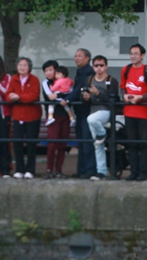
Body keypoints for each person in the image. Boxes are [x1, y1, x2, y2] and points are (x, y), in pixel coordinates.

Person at [120, 43, 147, 182]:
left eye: (136, 53)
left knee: (143, 143)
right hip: (129, 110)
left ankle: (143, 172)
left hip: (144, 111)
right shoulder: (125, 69)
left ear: (142, 55)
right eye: (131, 53)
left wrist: (140, 97)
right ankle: (133, 171)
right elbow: (123, 87)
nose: (133, 56)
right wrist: (124, 96)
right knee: (132, 143)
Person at [81, 54, 118, 181]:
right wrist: (85, 98)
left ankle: (102, 133)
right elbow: (85, 99)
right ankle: (101, 171)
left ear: (106, 66)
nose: (99, 68)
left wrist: (98, 93)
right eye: (96, 65)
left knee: (91, 120)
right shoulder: (89, 79)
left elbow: (113, 100)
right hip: (93, 111)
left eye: (101, 65)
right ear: (93, 67)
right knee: (97, 145)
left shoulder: (112, 80)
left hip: (106, 112)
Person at [7, 57, 41, 179]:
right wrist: (12, 97)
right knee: (17, 143)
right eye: (20, 65)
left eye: (25, 65)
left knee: (31, 144)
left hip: (32, 115)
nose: (22, 67)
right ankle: (19, 169)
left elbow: (33, 95)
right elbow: (8, 95)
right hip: (17, 115)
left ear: (29, 67)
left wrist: (18, 97)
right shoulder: (14, 79)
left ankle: (30, 170)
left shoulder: (35, 79)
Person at [68, 47, 97, 179]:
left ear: (87, 58)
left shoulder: (88, 72)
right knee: (81, 141)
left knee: (87, 141)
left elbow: (79, 88)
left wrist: (67, 98)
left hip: (87, 112)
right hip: (80, 112)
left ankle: (89, 170)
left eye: (80, 56)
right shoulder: (79, 72)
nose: (76, 58)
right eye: (75, 56)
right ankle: (81, 169)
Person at [42, 62, 73, 179]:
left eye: (51, 70)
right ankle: (49, 169)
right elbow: (49, 96)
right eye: (46, 70)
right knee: (52, 143)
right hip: (53, 116)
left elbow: (70, 93)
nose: (49, 73)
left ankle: (58, 170)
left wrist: (59, 95)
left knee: (62, 143)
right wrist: (61, 94)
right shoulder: (45, 83)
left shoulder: (65, 80)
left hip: (65, 114)